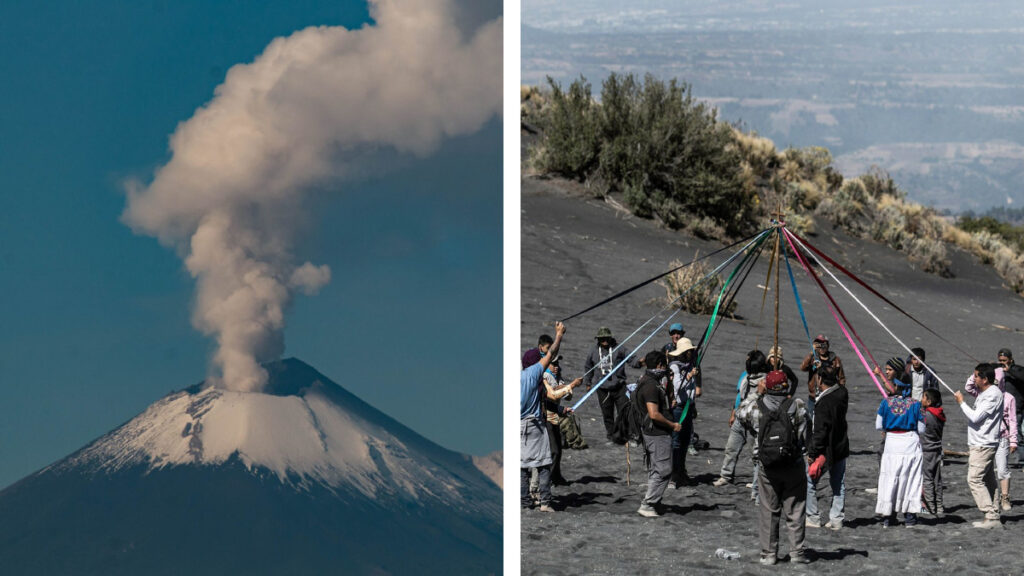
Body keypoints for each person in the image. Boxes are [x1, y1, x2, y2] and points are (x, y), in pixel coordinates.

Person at [738, 364, 810, 565]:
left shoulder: (756, 407)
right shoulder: (798, 406)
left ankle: (769, 554)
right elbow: (805, 434)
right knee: (795, 509)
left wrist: (756, 393)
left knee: (769, 510)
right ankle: (797, 553)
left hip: (767, 466)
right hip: (793, 464)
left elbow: (740, 414)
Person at [520, 322, 568, 512]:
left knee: (521, 467)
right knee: (544, 464)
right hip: (533, 424)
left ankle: (525, 502)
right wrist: (559, 335)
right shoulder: (531, 375)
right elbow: (551, 353)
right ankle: (545, 502)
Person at [874, 357, 924, 527]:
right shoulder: (916, 405)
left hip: (891, 444)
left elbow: (879, 425)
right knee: (910, 479)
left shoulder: (885, 403)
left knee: (890, 479)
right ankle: (910, 517)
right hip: (910, 444)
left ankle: (889, 517)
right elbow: (922, 429)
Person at [954, 363, 1004, 529]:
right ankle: (994, 513)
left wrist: (961, 402)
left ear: (985, 379)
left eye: (976, 376)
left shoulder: (992, 394)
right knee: (988, 479)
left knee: (974, 479)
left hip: (984, 443)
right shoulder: (986, 391)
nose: (973, 379)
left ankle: (990, 515)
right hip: (981, 442)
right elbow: (969, 385)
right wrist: (977, 371)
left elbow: (976, 417)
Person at [635, 351, 682, 517]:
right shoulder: (650, 386)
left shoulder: (649, 381)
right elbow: (654, 414)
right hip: (657, 433)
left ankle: (655, 502)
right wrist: (673, 425)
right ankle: (648, 504)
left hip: (653, 432)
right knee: (663, 470)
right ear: (659, 365)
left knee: (656, 468)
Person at [713, 350, 766, 495]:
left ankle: (757, 481)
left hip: (754, 422)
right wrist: (733, 413)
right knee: (731, 448)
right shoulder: (745, 377)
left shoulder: (764, 381)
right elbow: (740, 397)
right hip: (740, 418)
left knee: (755, 453)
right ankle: (726, 475)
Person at [968, 366, 1018, 511]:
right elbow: (968, 387)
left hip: (1002, 438)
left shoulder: (1008, 398)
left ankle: (1005, 497)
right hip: (988, 439)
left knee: (1002, 470)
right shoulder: (983, 393)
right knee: (988, 475)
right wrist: (976, 372)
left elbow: (1013, 420)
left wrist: (1013, 440)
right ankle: (994, 506)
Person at [805, 363, 849, 531]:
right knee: (838, 484)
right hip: (841, 446)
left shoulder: (824, 402)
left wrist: (812, 452)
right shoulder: (842, 393)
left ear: (820, 379)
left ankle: (812, 517)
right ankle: (837, 519)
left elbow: (820, 431)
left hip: (826, 450)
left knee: (809, 480)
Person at [583, 327, 630, 444]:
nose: (604, 340)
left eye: (606, 338)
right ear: (598, 339)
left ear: (610, 338)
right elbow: (588, 367)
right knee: (607, 415)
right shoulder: (593, 351)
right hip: (603, 389)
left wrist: (639, 363)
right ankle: (611, 436)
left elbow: (630, 357)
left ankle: (623, 435)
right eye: (601, 338)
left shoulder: (619, 348)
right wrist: (588, 383)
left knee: (624, 412)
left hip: (619, 388)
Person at [542, 356, 582, 486]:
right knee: (553, 451)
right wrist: (571, 385)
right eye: (553, 364)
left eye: (557, 364)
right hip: (547, 417)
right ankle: (547, 480)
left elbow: (566, 396)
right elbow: (552, 396)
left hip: (556, 417)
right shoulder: (544, 377)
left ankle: (556, 477)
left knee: (559, 448)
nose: (556, 367)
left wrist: (568, 389)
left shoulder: (558, 376)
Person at [667, 337, 701, 487]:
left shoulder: (690, 365)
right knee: (675, 441)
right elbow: (677, 386)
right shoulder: (674, 366)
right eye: (688, 351)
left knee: (686, 440)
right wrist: (689, 376)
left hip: (688, 406)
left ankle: (681, 471)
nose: (690, 353)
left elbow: (691, 389)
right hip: (678, 409)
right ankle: (673, 475)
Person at [800, 334, 846, 420]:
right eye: (819, 345)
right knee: (812, 420)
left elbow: (841, 379)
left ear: (828, 345)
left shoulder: (835, 360)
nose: (822, 347)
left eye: (824, 345)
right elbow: (803, 368)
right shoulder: (813, 359)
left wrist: (841, 395)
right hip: (814, 397)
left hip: (829, 396)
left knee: (829, 420)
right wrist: (811, 352)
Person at [920, 388, 946, 516]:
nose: (921, 399)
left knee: (928, 479)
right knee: (937, 479)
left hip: (927, 450)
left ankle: (930, 506)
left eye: (923, 397)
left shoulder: (926, 416)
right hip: (937, 449)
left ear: (929, 401)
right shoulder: (940, 414)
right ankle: (939, 506)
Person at [997, 349, 1024, 456]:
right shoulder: (998, 370)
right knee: (1001, 435)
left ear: (1011, 360)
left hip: (1017, 408)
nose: (1002, 362)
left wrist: (1009, 370)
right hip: (1001, 408)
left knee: (1018, 436)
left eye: (1004, 360)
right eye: (1000, 360)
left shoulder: (1019, 370)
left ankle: (1021, 461)